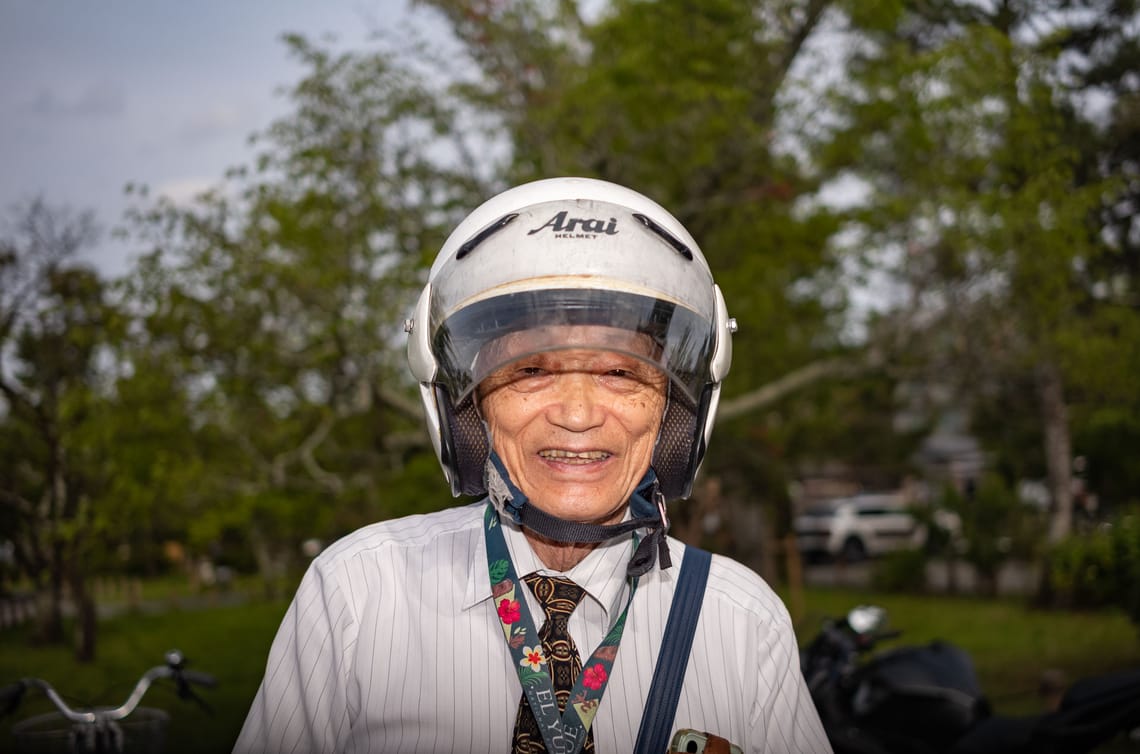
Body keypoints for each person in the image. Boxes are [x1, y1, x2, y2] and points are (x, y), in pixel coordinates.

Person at [234, 177, 831, 753]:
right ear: (468, 411)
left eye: (620, 373)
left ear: (675, 415)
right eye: (531, 370)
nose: (576, 415)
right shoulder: (357, 594)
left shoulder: (742, 621)